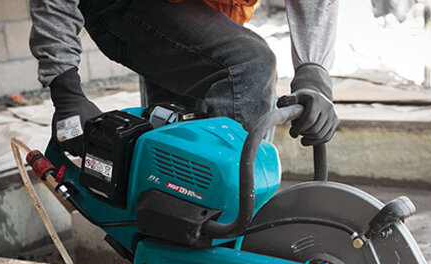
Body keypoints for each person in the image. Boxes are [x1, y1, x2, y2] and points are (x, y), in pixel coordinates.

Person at [29, 0, 339, 156]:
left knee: (180, 136)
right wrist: (66, 90)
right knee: (247, 63)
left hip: (195, 7)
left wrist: (313, 71)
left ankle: (172, 229)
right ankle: (238, 217)